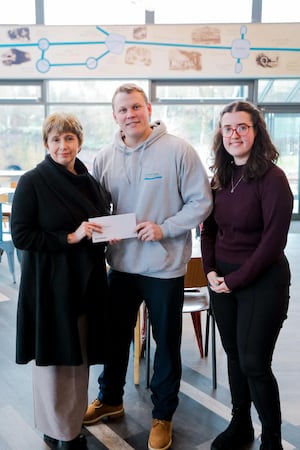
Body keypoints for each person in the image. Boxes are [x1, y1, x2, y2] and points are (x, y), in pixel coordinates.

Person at [84, 83, 213, 450]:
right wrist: (101, 230)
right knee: (114, 338)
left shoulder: (178, 150)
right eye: (123, 110)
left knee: (166, 344)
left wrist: (164, 228)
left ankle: (163, 414)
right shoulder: (105, 156)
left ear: (148, 108)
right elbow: (99, 207)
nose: (130, 115)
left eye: (136, 107)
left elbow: (201, 203)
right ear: (115, 116)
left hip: (164, 267)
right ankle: (110, 398)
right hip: (122, 265)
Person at [11, 112, 110, 450]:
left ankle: (63, 426)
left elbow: (98, 224)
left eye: (69, 139)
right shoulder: (32, 181)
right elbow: (23, 235)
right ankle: (62, 431)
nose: (63, 145)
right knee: (54, 361)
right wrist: (70, 237)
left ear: (79, 143)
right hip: (50, 286)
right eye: (56, 139)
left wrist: (108, 235)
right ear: (46, 144)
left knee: (78, 358)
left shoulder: (90, 182)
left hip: (85, 283)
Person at [200, 101, 293, 450]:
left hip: (262, 281)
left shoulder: (273, 179)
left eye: (242, 127)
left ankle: (272, 439)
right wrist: (210, 270)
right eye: (227, 128)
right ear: (220, 134)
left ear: (256, 131)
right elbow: (207, 230)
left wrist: (234, 280)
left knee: (254, 360)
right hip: (222, 280)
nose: (234, 134)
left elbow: (273, 243)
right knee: (234, 355)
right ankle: (240, 425)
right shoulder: (221, 178)